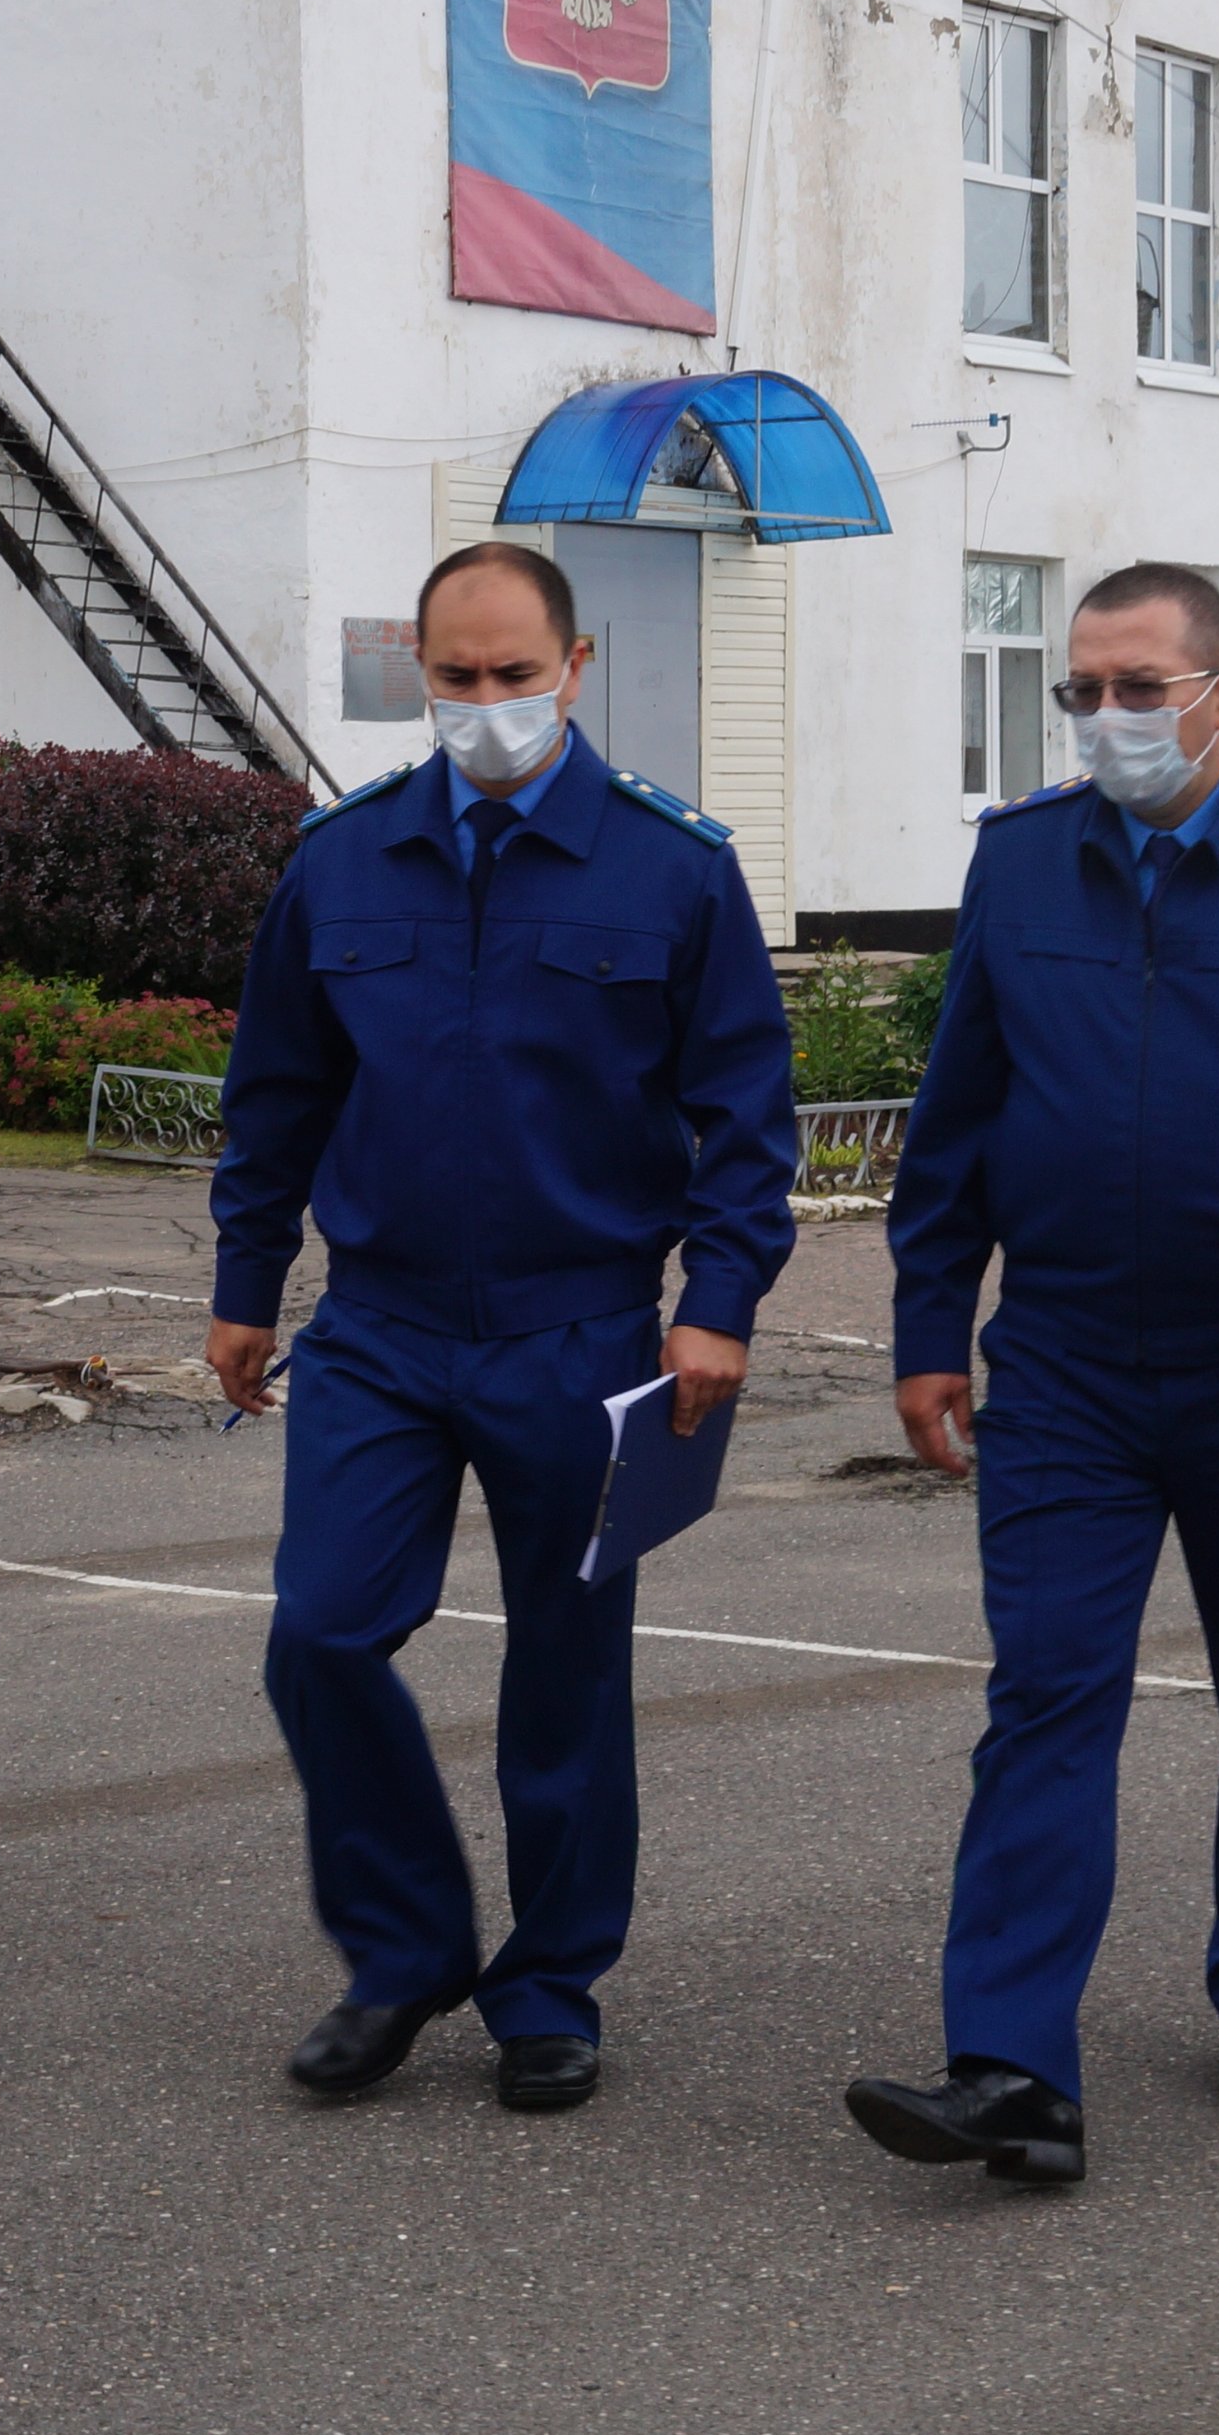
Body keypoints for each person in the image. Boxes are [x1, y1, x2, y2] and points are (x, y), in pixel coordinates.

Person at [847, 561, 1219, 2184]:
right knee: (1046, 1694)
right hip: (1065, 1363)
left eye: (1143, 689)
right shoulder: (1025, 863)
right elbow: (958, 1111)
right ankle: (1010, 2066)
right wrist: (928, 1326)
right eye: (1087, 691)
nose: (1112, 718)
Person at [205, 542, 797, 2115]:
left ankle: (549, 1984)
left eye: (510, 676)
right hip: (382, 1328)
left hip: (583, 1330)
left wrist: (717, 1305)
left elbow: (746, 1115)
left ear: (574, 666)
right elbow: (274, 1099)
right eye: (453, 677)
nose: (481, 706)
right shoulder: (340, 860)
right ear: (419, 669)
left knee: (566, 1675)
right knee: (321, 1629)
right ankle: (404, 1952)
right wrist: (243, 1287)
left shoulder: (671, 866)